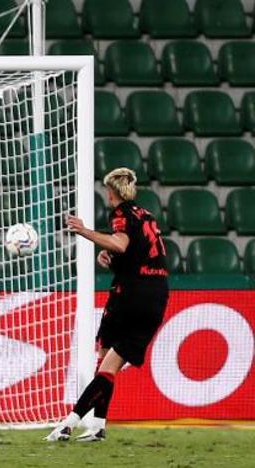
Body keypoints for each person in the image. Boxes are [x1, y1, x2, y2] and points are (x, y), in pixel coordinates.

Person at [46, 168, 169, 442]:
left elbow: (121, 244)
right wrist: (110, 256)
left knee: (106, 367)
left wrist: (85, 231)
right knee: (103, 359)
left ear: (110, 192)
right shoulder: (146, 216)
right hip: (157, 296)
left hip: (131, 297)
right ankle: (98, 426)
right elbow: (139, 253)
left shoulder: (122, 214)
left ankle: (68, 423)